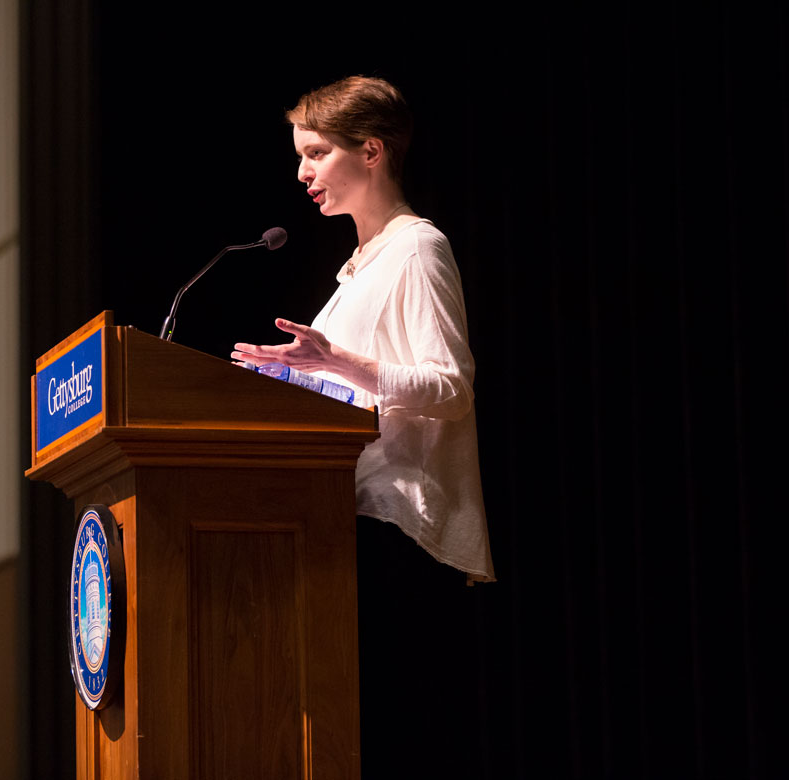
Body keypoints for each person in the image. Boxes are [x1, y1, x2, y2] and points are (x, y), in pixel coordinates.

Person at [231, 76, 494, 776]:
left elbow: (451, 387)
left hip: (396, 530)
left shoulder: (417, 250)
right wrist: (287, 378)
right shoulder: (357, 270)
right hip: (345, 524)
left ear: (371, 151)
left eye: (315, 153)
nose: (302, 172)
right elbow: (349, 391)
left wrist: (338, 362)